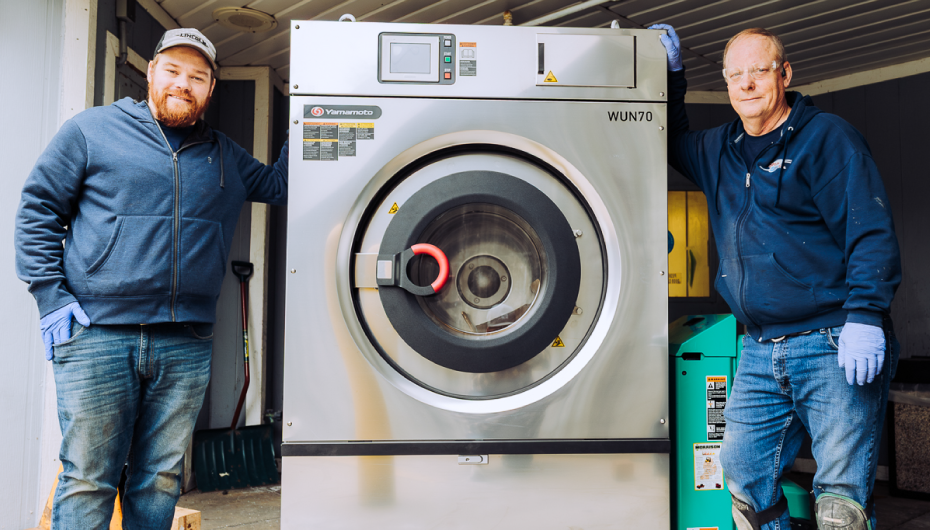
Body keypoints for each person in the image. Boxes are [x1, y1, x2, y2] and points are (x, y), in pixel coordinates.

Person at [15, 28, 288, 528]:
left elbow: (280, 184)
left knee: (159, 479)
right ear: (151, 73)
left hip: (186, 340)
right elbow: (37, 211)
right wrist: (50, 295)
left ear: (210, 89)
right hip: (97, 334)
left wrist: (314, 109)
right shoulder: (91, 131)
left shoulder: (226, 154)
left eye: (198, 77)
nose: (183, 84)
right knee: (88, 478)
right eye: (173, 70)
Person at [650, 24, 901, 530]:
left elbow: (869, 228)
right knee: (743, 478)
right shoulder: (718, 149)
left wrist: (866, 315)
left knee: (840, 503)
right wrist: (673, 76)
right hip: (762, 349)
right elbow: (670, 140)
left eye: (758, 71)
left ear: (783, 74)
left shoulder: (827, 138)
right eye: (734, 75)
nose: (746, 84)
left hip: (834, 342)